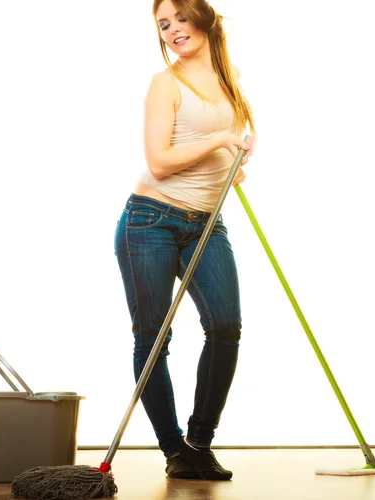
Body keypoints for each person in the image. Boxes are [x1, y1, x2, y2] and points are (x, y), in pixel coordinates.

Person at [114, 0, 256, 481]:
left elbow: (225, 137)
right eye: (163, 24)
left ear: (205, 18)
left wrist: (232, 166)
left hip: (207, 223)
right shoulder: (164, 84)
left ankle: (199, 443)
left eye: (180, 18)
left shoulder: (230, 77)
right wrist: (218, 144)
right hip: (150, 221)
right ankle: (174, 450)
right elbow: (159, 161)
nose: (173, 29)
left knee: (225, 326)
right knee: (153, 339)